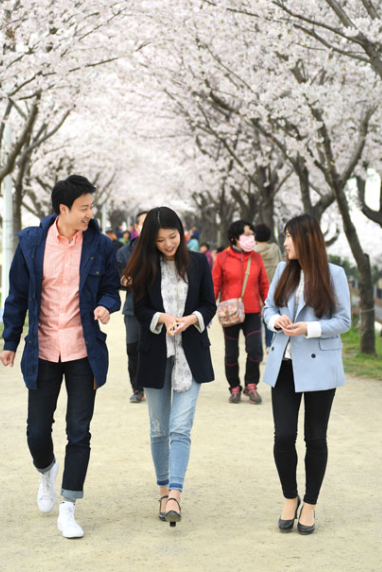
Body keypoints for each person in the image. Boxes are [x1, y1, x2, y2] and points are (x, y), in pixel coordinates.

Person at [0, 174, 120, 539]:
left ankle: (68, 506)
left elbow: (112, 289)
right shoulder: (32, 243)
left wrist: (104, 305)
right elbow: (18, 295)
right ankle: (46, 469)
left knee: (79, 431)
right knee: (37, 430)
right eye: (83, 208)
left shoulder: (101, 245)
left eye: (91, 207)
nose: (90, 213)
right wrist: (9, 341)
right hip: (44, 349)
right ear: (63, 209)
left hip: (84, 350)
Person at [126, 207, 216, 526]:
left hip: (191, 355)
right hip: (154, 355)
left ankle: (176, 492)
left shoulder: (199, 263)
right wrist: (161, 319)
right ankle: (163, 489)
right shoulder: (144, 267)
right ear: (151, 240)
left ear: (182, 233)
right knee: (159, 428)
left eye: (173, 237)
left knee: (180, 427)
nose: (168, 244)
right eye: (161, 239)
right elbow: (138, 309)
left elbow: (209, 305)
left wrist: (193, 319)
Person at [263, 214, 351, 535]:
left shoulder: (334, 274)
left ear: (305, 240)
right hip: (284, 364)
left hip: (319, 366)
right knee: (284, 436)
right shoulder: (284, 270)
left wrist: (309, 328)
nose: (284, 243)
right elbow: (268, 307)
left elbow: (343, 321)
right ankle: (290, 497)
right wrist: (276, 322)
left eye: (289, 237)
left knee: (315, 438)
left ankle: (310, 504)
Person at [211, 219, 269, 404]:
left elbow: (264, 284)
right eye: (246, 234)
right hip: (230, 312)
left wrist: (269, 307)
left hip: (252, 311)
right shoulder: (222, 258)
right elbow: (215, 284)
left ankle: (251, 385)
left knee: (254, 350)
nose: (251, 237)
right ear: (235, 237)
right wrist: (207, 309)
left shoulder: (256, 258)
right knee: (231, 353)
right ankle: (234, 387)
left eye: (252, 234)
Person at [116, 210, 148, 403]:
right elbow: (118, 280)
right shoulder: (124, 252)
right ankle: (138, 388)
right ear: (136, 227)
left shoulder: (165, 251)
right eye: (143, 223)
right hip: (133, 308)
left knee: (158, 349)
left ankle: (158, 386)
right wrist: (125, 282)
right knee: (133, 349)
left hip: (160, 310)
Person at [255, 224, 283, 348]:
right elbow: (281, 265)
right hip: (273, 287)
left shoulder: (252, 251)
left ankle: (258, 349)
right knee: (270, 316)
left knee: (256, 320)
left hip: (256, 289)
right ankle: (269, 345)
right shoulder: (275, 249)